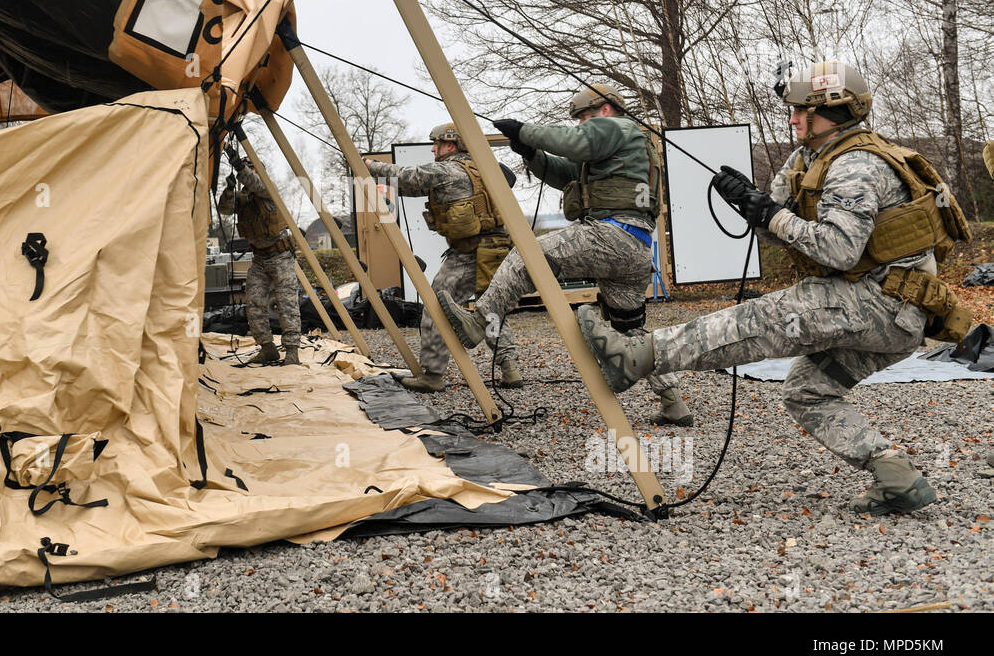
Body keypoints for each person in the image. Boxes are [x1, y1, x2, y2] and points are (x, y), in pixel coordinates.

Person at [576, 61, 972, 515]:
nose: (793, 119)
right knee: (807, 390)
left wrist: (769, 214)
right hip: (886, 309)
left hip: (884, 303)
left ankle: (636, 358)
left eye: (804, 111)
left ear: (836, 113)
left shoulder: (856, 164)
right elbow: (780, 225)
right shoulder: (808, 157)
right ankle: (895, 474)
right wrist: (750, 203)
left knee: (766, 315)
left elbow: (840, 249)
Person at [438, 86, 692, 425]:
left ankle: (480, 320)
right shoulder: (619, 149)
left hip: (610, 236)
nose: (582, 123)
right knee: (630, 332)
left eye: (585, 116)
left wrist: (524, 130)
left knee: (524, 255)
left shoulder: (620, 127)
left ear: (606, 109)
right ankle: (673, 402)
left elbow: (576, 142)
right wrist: (531, 154)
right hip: (635, 249)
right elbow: (568, 174)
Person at [364, 123, 523, 392]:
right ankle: (510, 368)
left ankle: (432, 375)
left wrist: (369, 166)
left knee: (436, 306)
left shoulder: (447, 169)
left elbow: (406, 177)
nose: (433, 148)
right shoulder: (481, 170)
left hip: (469, 253)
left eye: (436, 143)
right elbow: (414, 188)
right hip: (497, 250)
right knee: (490, 307)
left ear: (451, 145)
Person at [217, 148, 301, 366]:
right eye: (247, 167)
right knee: (253, 303)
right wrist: (229, 189)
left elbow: (256, 182)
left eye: (251, 167)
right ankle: (268, 348)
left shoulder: (267, 188)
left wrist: (240, 167)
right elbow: (224, 210)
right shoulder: (244, 197)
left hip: (280, 256)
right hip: (259, 259)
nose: (248, 171)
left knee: (286, 304)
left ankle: (292, 352)